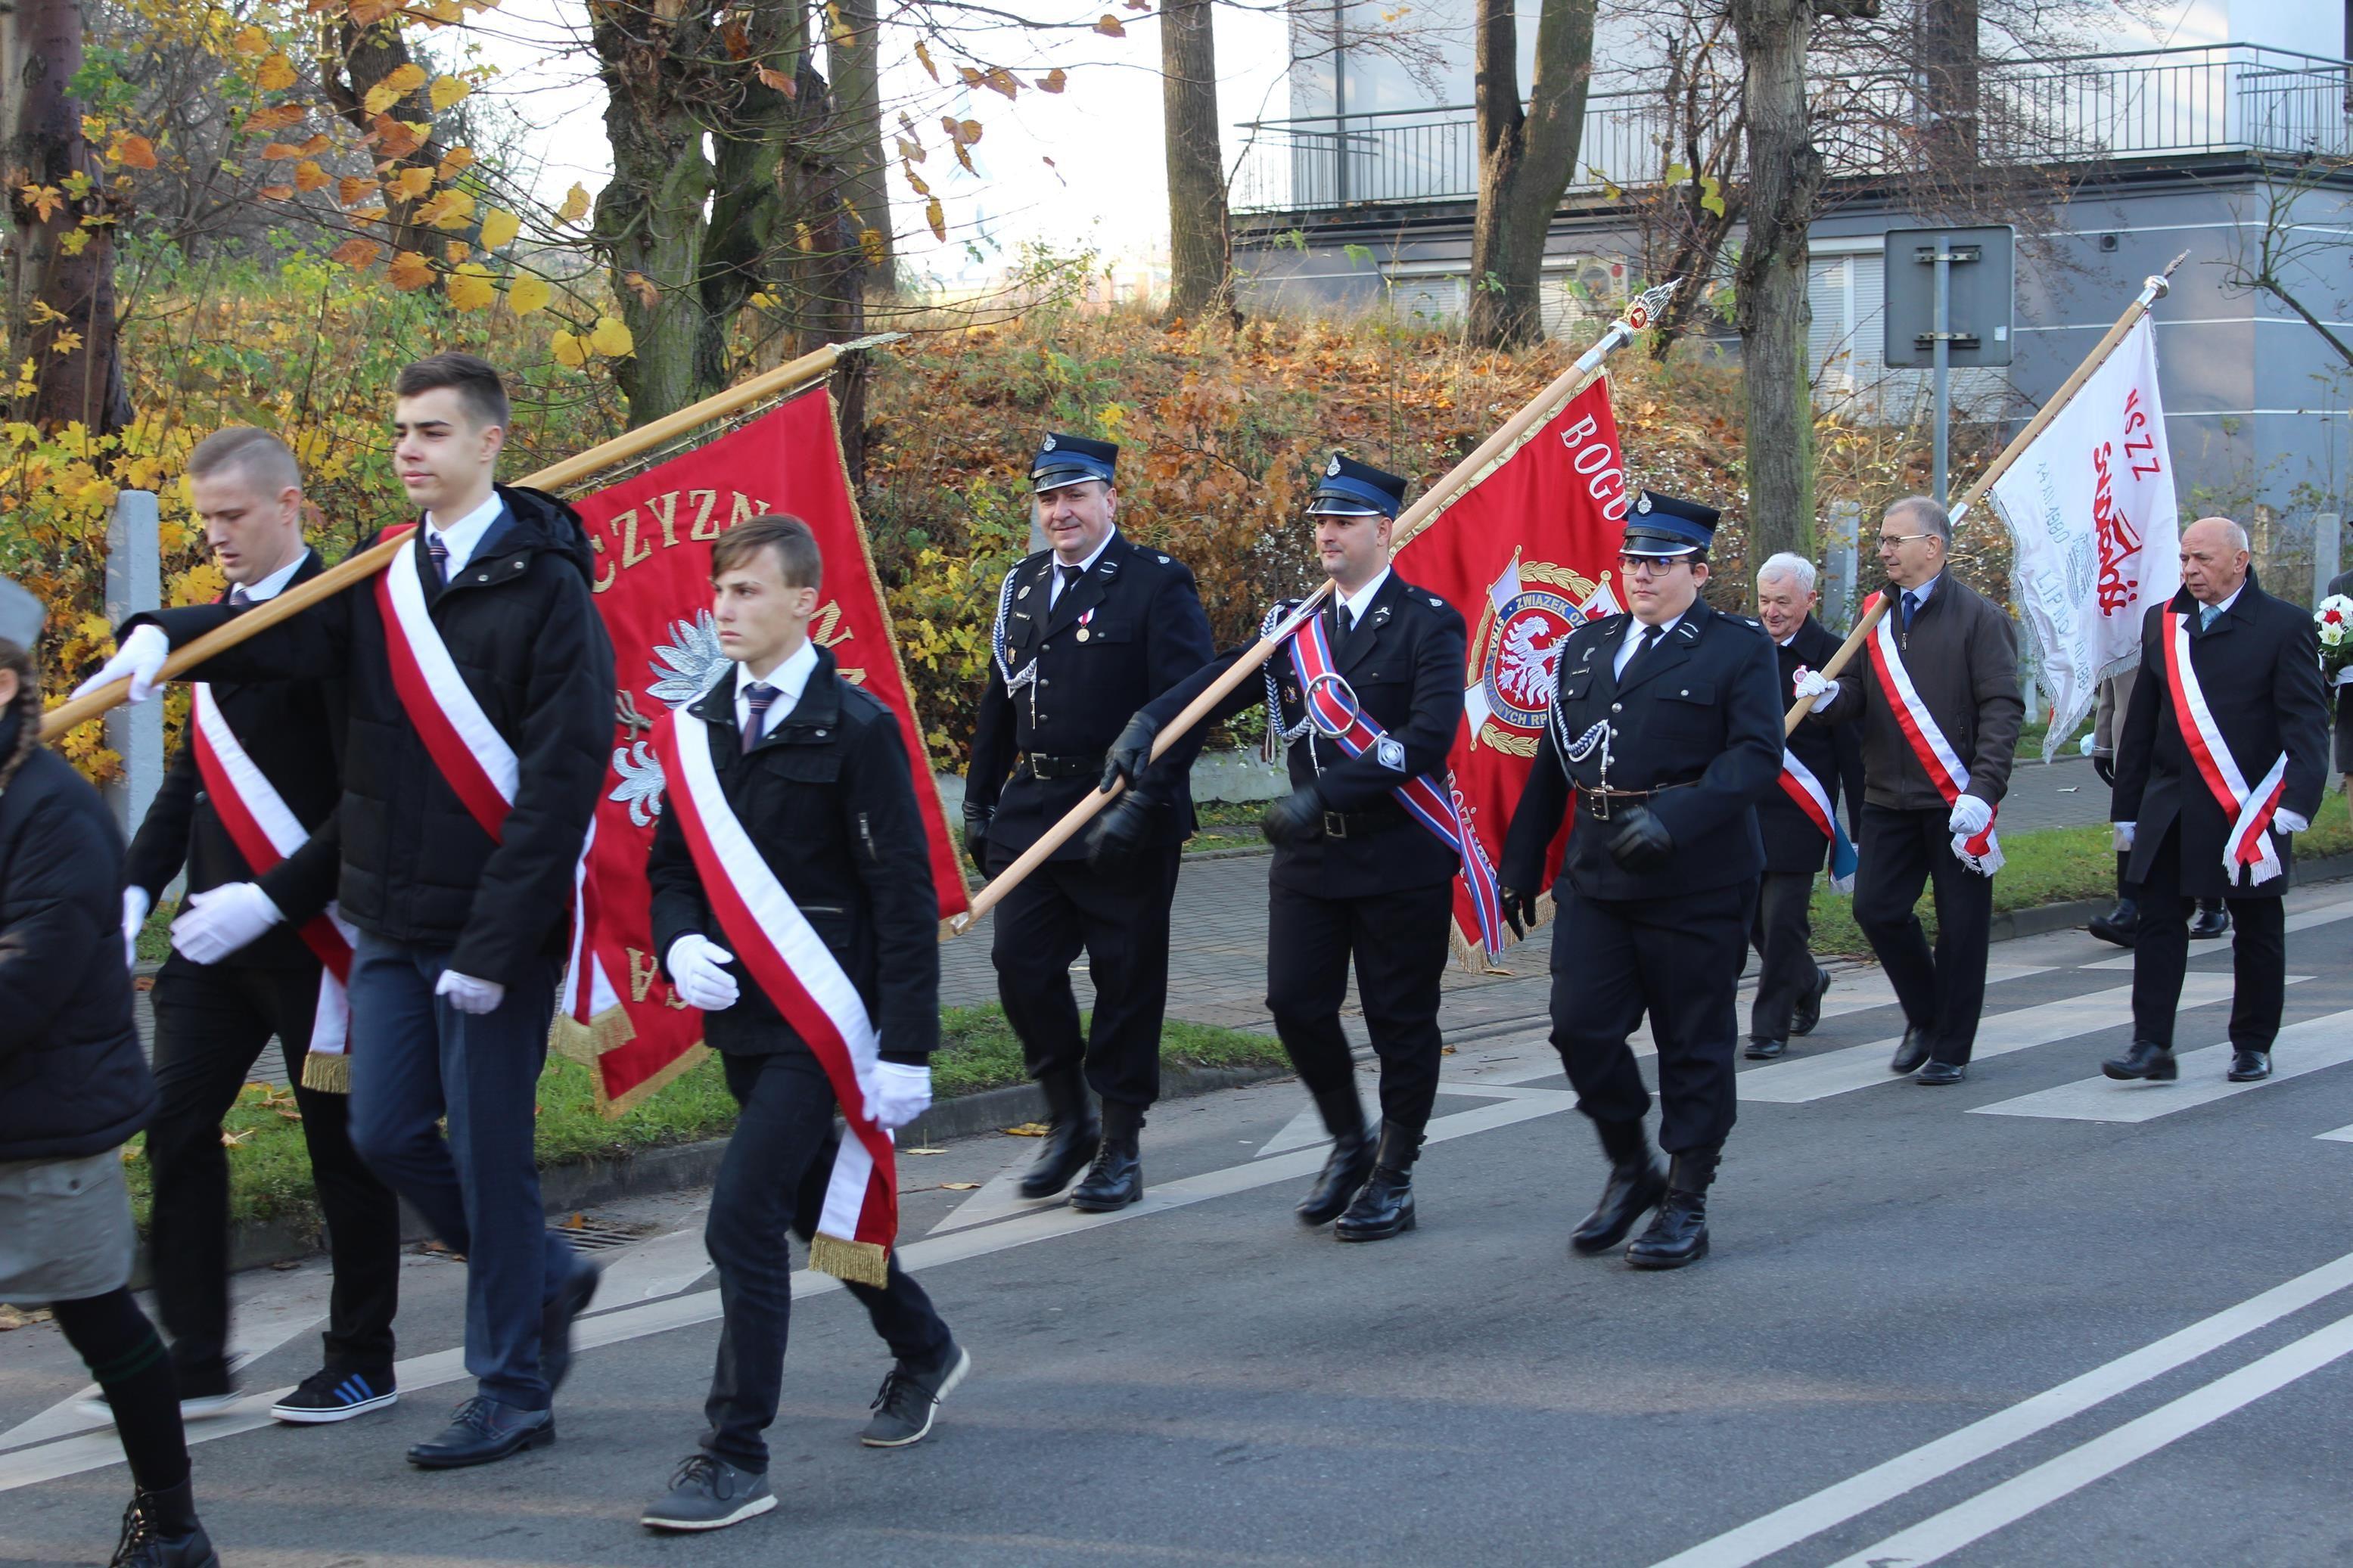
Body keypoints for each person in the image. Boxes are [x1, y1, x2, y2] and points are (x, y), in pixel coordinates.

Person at [78, 353, 614, 1468]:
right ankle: (545, 1275)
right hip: (389, 919)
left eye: (431, 431)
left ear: (489, 444)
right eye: (401, 432)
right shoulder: (385, 578)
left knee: (493, 1159)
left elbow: (563, 781)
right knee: (381, 1131)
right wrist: (160, 636)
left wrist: (499, 941)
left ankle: (512, 1386)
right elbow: (280, 640)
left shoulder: (546, 587)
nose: (409, 449)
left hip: (486, 934)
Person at [642, 516, 967, 1531]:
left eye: (747, 591)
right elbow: (672, 869)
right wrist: (678, 940)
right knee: (802, 1214)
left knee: (738, 1217)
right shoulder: (698, 726)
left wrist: (907, 1042)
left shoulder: (856, 729)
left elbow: (903, 896)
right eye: (720, 591)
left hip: (826, 1025)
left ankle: (731, 1451)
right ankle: (921, 1345)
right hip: (741, 1017)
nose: (725, 609)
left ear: (802, 602)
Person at [114, 428, 401, 1427]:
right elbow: (200, 773)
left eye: (233, 516)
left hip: (319, 939)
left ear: (290, 505)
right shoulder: (215, 624)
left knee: (343, 1149)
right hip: (214, 940)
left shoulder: (345, 612)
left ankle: (363, 1355)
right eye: (205, 520)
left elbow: (362, 795)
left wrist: (276, 895)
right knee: (175, 1124)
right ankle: (197, 1354)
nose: (217, 537)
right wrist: (135, 889)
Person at [1103, 455, 1466, 1240]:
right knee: (1293, 1004)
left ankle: (1394, 1173)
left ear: (1382, 529)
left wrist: (1321, 795)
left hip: (1396, 855)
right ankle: (1348, 1138)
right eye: (1319, 523)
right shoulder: (1293, 623)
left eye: (1341, 522)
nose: (1326, 535)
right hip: (1310, 862)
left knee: (1399, 1019)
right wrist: (1146, 726)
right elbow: (1215, 682)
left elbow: (1428, 738)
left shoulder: (1427, 620)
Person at [1498, 492, 1782, 1269]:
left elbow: (1756, 757)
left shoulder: (1735, 648)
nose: (1640, 575)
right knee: (1578, 1026)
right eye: (1631, 560)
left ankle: (1685, 1200)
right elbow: (1556, 755)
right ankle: (1631, 1167)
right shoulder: (1586, 646)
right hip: (1597, 871)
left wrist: (1677, 819)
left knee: (1692, 1041)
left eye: (1657, 562)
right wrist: (1522, 858)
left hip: (1695, 878)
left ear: (1696, 569)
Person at [0, 578, 220, 1566]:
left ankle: (172, 1524)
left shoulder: (55, 816)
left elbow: (27, 981)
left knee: (99, 1316)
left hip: (45, 1120)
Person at [964, 433, 1214, 1212]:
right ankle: (1066, 1116)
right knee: (1020, 966)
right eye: (1047, 500)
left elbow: (1188, 707)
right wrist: (977, 799)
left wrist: (1144, 803)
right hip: (1035, 811)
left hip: (1120, 812)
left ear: (1110, 499)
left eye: (1075, 496)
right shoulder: (1023, 585)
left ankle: (1119, 1143)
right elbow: (998, 699)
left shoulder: (1154, 585)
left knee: (1125, 982)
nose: (1060, 512)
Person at [1796, 495, 2022, 1085]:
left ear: (1934, 547)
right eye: (1882, 540)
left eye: (1896, 540)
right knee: (1877, 909)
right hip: (1888, 796)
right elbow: (1857, 693)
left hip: (1957, 803)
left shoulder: (1981, 618)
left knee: (1962, 927)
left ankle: (1952, 1043)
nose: (1885, 550)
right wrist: (1827, 697)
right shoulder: (1877, 614)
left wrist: (1984, 788)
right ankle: (1925, 1015)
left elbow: (2002, 710)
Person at [2101, 517, 2330, 1085]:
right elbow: (2141, 726)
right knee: (2156, 922)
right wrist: (2126, 811)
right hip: (2171, 803)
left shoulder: (2285, 625)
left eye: (2202, 558)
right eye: (2184, 559)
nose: (2190, 570)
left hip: (2247, 808)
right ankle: (2151, 1043)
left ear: (2239, 561)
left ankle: (2252, 1043)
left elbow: (2304, 722)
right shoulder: (2165, 623)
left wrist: (2296, 802)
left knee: (2255, 928)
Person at [1745, 553, 1864, 1060]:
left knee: (1784, 920)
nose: (1771, 612)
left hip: (1800, 812)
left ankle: (1769, 1025)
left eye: (1783, 602)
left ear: (1810, 600)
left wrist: (1861, 829)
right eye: (1765, 601)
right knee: (1751, 920)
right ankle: (1808, 978)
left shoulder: (1836, 657)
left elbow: (1854, 754)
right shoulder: (1743, 649)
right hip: (1744, 808)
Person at [2088, 669, 2230, 946]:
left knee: (2196, 807)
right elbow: (2112, 664)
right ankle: (2128, 906)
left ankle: (2212, 901)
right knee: (2130, 814)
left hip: (2184, 717)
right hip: (2130, 722)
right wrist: (2103, 739)